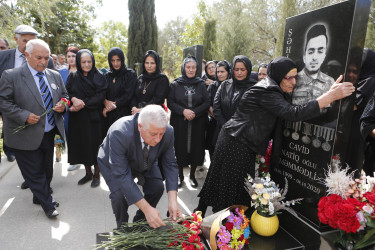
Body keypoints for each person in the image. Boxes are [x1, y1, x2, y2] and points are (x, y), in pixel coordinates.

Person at [196, 56, 355, 214]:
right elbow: (292, 113)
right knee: (231, 184)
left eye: (295, 77)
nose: (294, 82)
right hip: (237, 143)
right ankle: (223, 225)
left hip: (236, 139)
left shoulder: (272, 87)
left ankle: (204, 214)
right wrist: (330, 96)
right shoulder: (267, 90)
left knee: (222, 178)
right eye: (289, 78)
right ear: (279, 76)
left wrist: (327, 92)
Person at [0, 39, 68, 218]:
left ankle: (39, 197)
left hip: (48, 133)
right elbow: (3, 102)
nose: (44, 61)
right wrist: (23, 116)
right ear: (27, 55)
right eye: (39, 57)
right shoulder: (11, 75)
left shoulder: (55, 75)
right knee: (35, 172)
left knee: (47, 170)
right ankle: (48, 204)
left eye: (46, 58)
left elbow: (65, 96)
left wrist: (63, 104)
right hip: (24, 134)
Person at [98, 105, 182, 229]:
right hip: (114, 164)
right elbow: (122, 175)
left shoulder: (168, 131)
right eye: (153, 134)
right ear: (140, 126)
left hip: (146, 157)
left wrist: (173, 200)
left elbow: (170, 164)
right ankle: (122, 228)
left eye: (161, 134)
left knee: (157, 187)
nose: (158, 139)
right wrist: (148, 209)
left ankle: (140, 223)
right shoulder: (120, 132)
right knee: (119, 196)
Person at [0, 25, 54, 190]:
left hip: (39, 119)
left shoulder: (47, 60)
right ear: (16, 39)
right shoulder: (3, 58)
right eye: (25, 40)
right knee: (24, 154)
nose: (28, 44)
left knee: (40, 154)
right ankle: (33, 180)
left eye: (32, 40)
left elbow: (51, 86)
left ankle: (40, 185)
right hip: (15, 116)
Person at [66, 49, 107, 187]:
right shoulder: (73, 76)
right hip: (77, 118)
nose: (87, 64)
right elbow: (66, 92)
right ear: (79, 62)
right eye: (83, 62)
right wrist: (73, 99)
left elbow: (100, 96)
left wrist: (81, 104)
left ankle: (96, 174)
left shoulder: (99, 76)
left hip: (93, 117)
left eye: (89, 61)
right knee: (82, 145)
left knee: (95, 145)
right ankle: (88, 173)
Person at [167, 56, 210, 188]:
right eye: (188, 67)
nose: (191, 70)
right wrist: (183, 111)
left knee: (196, 148)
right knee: (179, 148)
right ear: (184, 68)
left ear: (197, 69)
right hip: (180, 122)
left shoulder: (201, 84)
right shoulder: (175, 84)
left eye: (193, 67)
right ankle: (180, 177)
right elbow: (171, 103)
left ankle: (192, 175)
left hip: (197, 122)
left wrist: (194, 112)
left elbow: (207, 102)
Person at [292, 24, 335, 105]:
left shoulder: (330, 82)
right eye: (311, 51)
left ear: (324, 55)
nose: (315, 57)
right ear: (305, 55)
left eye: (320, 51)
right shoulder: (293, 81)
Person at [103, 47, 137, 133]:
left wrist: (111, 106)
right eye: (113, 60)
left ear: (122, 60)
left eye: (118, 60)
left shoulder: (130, 74)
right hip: (108, 116)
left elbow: (128, 95)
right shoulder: (107, 76)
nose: (116, 63)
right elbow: (102, 92)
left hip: (124, 115)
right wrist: (105, 102)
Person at [58, 46, 80, 171]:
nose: (71, 59)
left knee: (79, 133)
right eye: (69, 56)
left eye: (74, 56)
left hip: (80, 107)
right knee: (66, 132)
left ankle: (81, 157)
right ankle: (71, 159)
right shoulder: (61, 72)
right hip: (65, 108)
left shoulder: (82, 70)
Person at [205, 60, 232, 158]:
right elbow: (207, 102)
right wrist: (214, 113)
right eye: (218, 72)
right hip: (214, 122)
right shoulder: (213, 86)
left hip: (228, 123)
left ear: (228, 72)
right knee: (213, 149)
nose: (219, 74)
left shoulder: (233, 86)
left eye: (222, 72)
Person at [131, 50, 169, 114]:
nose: (149, 66)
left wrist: (142, 110)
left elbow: (158, 100)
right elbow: (134, 96)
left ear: (157, 64)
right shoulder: (140, 78)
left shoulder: (162, 79)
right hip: (137, 113)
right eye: (147, 63)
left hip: (154, 114)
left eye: (152, 63)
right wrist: (134, 107)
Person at [356, 49, 375, 176]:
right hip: (359, 132)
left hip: (357, 135)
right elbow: (366, 122)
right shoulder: (364, 79)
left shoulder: (369, 80)